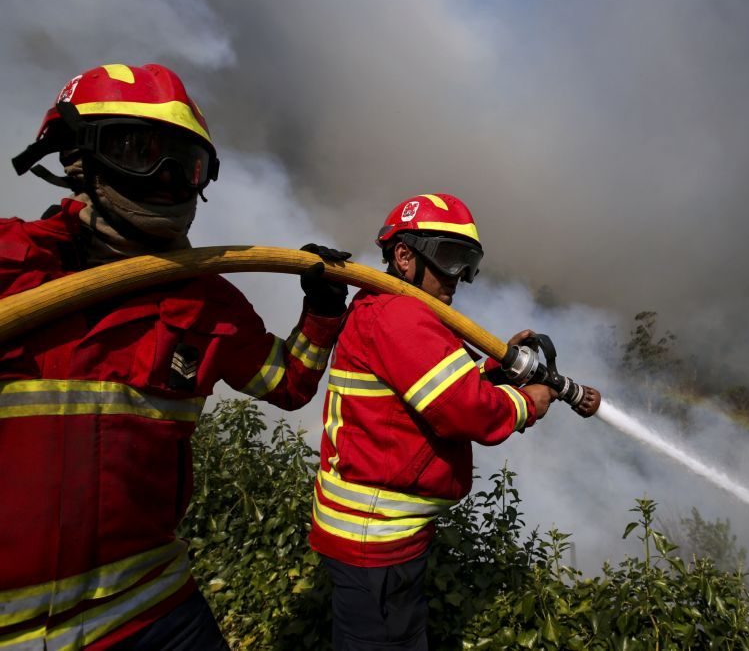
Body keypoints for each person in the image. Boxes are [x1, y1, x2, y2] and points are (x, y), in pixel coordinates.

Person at [0, 63, 350, 650]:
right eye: (137, 151)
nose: (164, 179)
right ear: (78, 159)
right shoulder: (12, 267)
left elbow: (288, 384)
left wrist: (322, 309)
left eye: (183, 164)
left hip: (156, 609)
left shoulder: (210, 302)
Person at [308, 193, 560, 650]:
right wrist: (528, 402)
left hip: (372, 536)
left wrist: (494, 371)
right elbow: (469, 411)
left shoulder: (382, 307)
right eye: (449, 258)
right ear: (404, 256)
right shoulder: (401, 316)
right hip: (376, 541)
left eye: (469, 262)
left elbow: (434, 387)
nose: (459, 276)